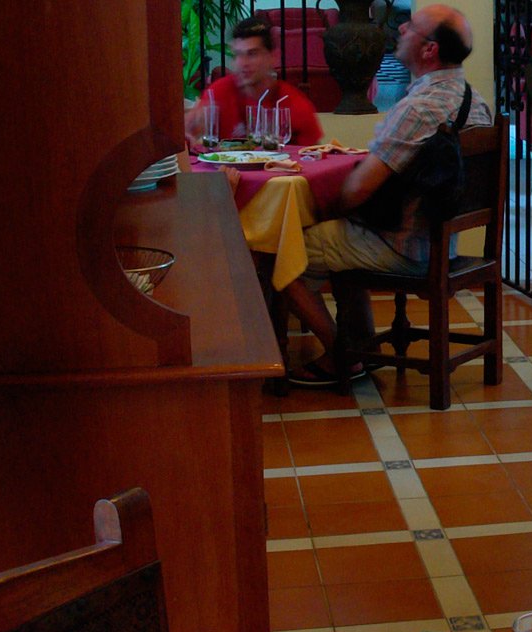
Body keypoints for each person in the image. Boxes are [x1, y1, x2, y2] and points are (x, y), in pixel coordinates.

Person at [282, 4, 491, 387]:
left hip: (406, 250)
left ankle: (341, 355)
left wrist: (325, 205)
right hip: (442, 244)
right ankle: (360, 346)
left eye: (411, 27)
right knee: (341, 234)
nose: (402, 29)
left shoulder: (418, 110)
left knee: (286, 254)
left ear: (429, 49)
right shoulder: (473, 101)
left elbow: (358, 189)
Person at [185, 15, 323, 151]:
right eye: (238, 54)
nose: (243, 63)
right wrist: (188, 132)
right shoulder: (219, 92)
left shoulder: (293, 103)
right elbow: (185, 137)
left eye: (252, 54)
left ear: (273, 57)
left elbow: (313, 155)